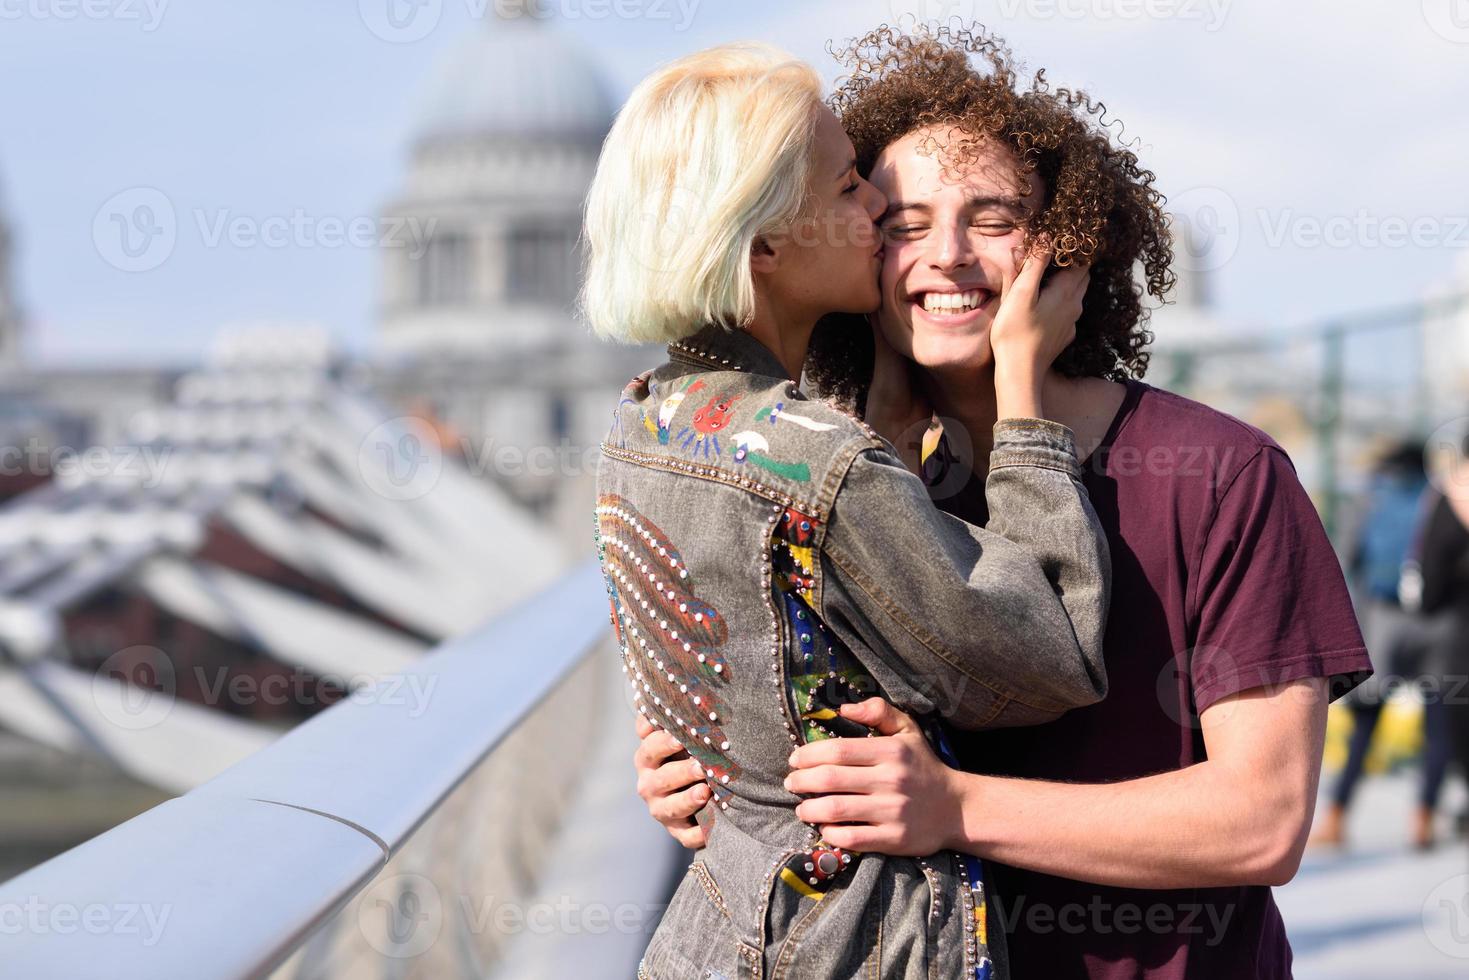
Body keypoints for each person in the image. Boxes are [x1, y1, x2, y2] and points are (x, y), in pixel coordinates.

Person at [633, 24, 1373, 980]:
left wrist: (955, 807)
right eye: (903, 223)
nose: (946, 256)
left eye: (990, 219)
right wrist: (705, 775)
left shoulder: (1219, 475)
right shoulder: (836, 477)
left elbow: (1261, 822)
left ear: (1063, 252)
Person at [583, 41, 1112, 979]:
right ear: (761, 246)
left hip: (721, 920)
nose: (873, 206)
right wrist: (1024, 399)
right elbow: (1048, 658)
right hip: (854, 940)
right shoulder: (819, 463)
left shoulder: (639, 419)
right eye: (844, 191)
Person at [1313, 441, 1447, 850]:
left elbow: (1347, 560)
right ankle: (1423, 820)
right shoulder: (1443, 501)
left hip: (1384, 622)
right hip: (1439, 623)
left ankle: (1336, 818)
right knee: (1439, 722)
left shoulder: (1372, 498)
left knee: (1366, 723)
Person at [1417, 430, 1469, 840]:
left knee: (1451, 722)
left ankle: (1428, 815)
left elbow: (1430, 589)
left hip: (1460, 636)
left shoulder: (1448, 499)